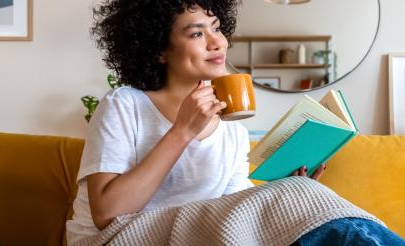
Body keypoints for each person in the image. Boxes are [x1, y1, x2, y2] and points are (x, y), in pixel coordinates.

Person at [65, 0, 327, 244]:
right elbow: (107, 215)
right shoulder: (123, 104)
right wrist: (182, 132)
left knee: (315, 206)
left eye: (217, 28)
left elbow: (237, 213)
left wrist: (290, 190)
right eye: (197, 34)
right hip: (115, 238)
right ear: (159, 51)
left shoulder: (232, 129)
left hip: (186, 237)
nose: (217, 43)